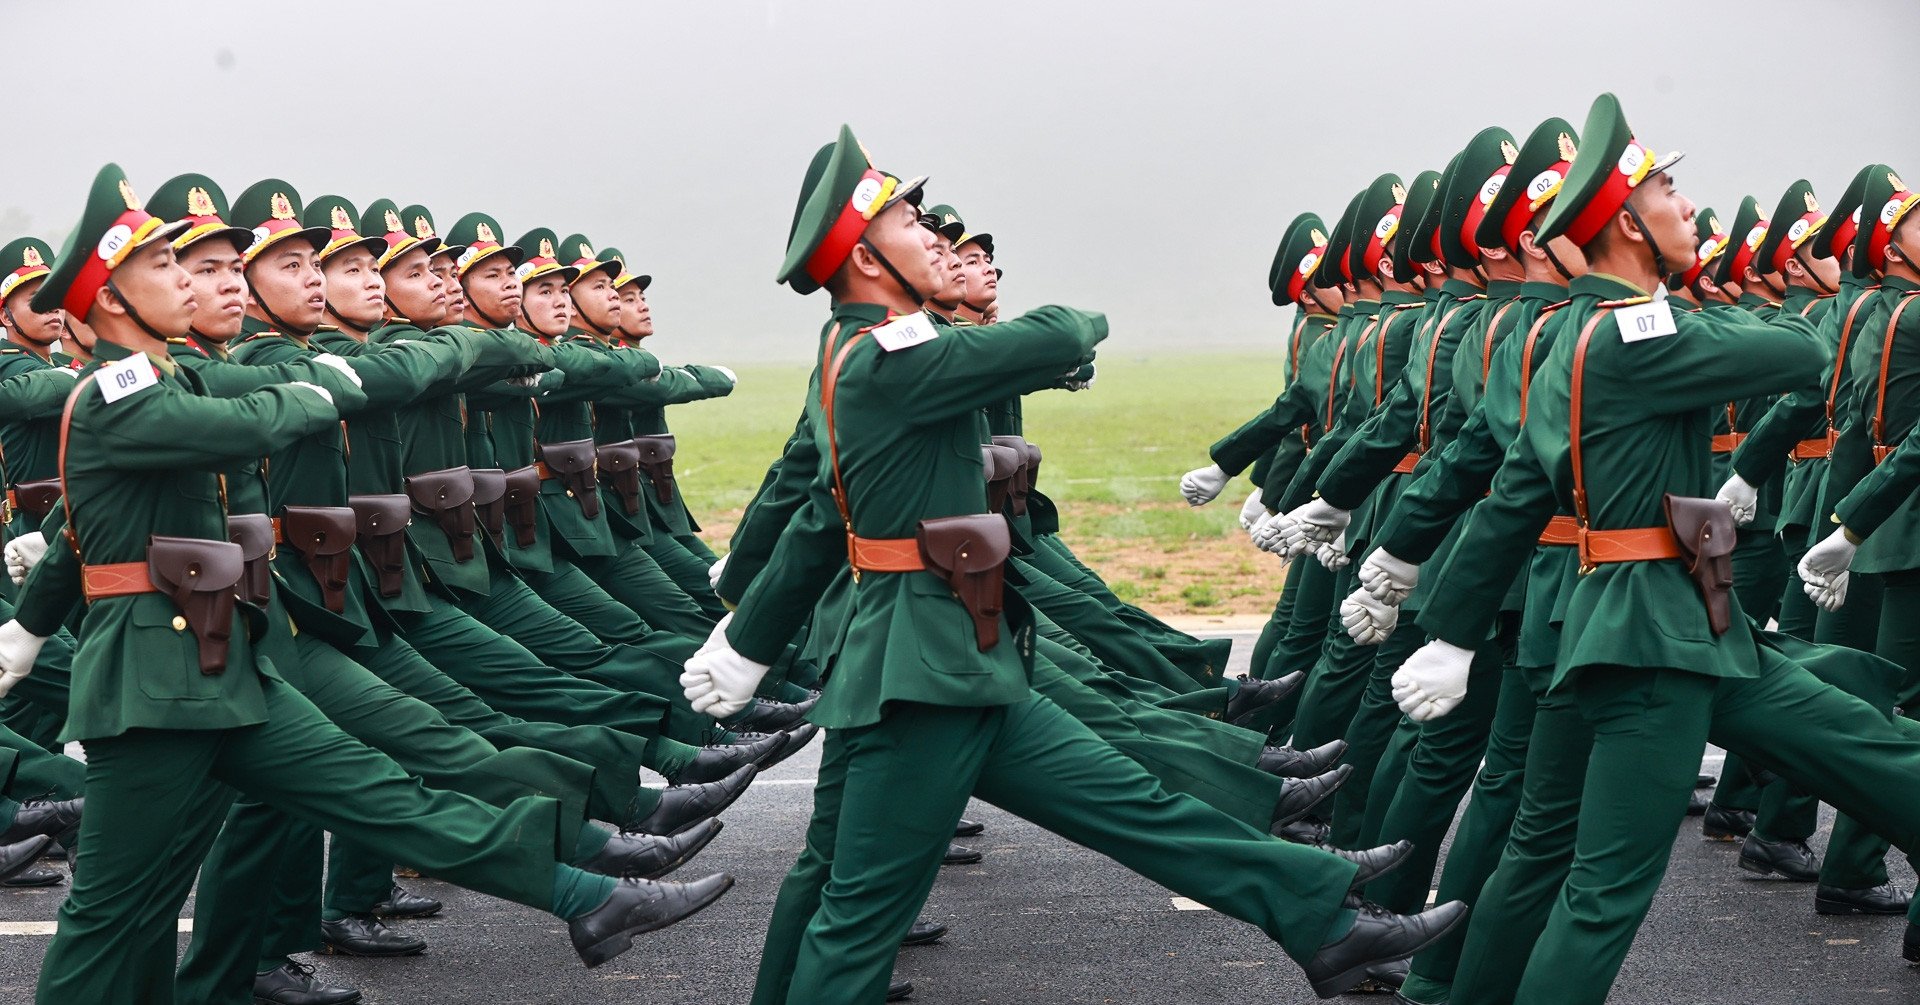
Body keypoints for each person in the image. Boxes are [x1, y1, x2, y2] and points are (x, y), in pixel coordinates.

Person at [683, 125, 1465, 1005]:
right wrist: (744, 639)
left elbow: (824, 516)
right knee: (858, 911)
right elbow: (1064, 330)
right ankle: (1323, 917)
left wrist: (746, 641)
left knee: (1131, 803)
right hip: (922, 674)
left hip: (954, 658)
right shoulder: (894, 359)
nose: (933, 239)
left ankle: (1323, 920)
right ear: (864, 257)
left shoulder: (858, 353)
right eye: (910, 226)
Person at [5, 163, 732, 1005]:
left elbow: (79, 531)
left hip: (225, 664)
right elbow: (242, 423)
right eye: (168, 268)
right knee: (115, 915)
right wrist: (331, 384)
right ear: (110, 299)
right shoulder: (116, 393)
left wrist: (25, 627)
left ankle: (589, 896)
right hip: (155, 686)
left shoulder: (176, 374)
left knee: (386, 791)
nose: (201, 281)